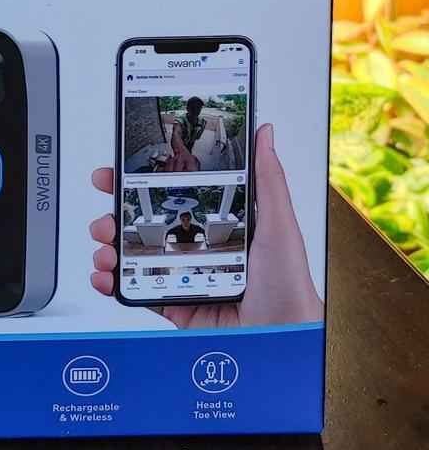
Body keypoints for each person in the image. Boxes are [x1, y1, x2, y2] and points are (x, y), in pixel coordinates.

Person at [89, 124, 324, 329]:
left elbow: (200, 243)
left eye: (185, 219)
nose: (185, 221)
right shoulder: (176, 230)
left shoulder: (196, 230)